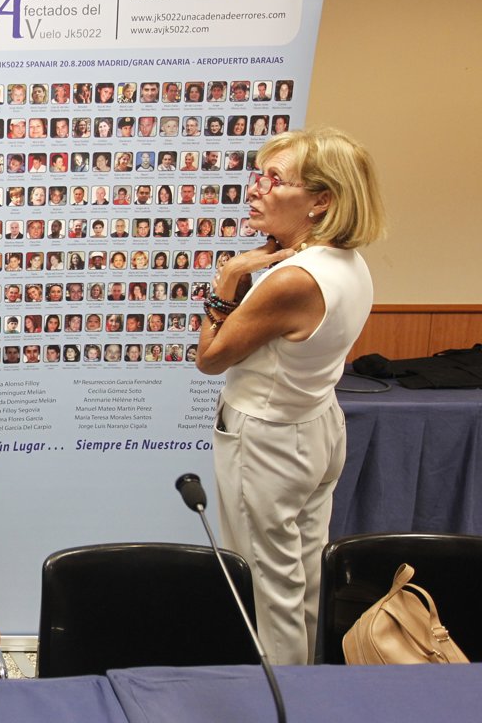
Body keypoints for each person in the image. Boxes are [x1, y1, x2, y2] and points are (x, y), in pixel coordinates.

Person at [195, 127, 386, 666]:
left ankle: (281, 698)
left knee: (269, 588)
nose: (256, 189)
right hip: (316, 427)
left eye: (275, 179)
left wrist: (230, 275)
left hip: (268, 441)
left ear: (320, 201)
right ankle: (305, 690)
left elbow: (210, 358)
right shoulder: (347, 262)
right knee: (303, 578)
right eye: (259, 175)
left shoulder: (291, 279)